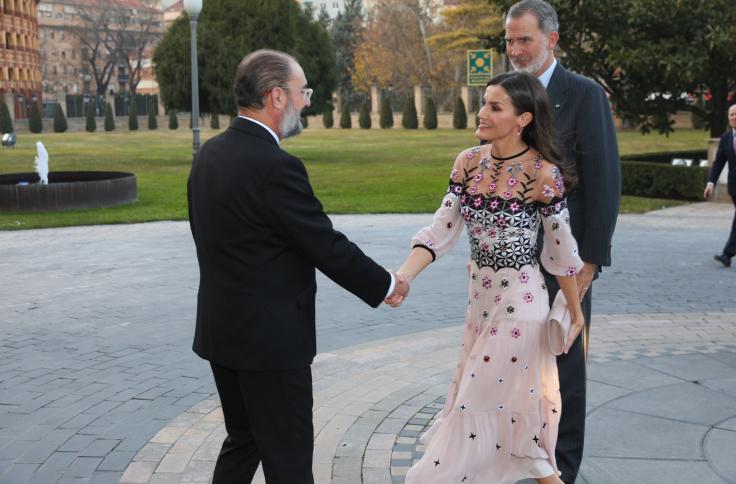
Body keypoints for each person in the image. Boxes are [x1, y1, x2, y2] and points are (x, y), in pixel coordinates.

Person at [187, 49, 408, 483]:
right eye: (301, 91)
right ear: (275, 97)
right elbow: (322, 243)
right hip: (270, 345)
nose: (307, 101)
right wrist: (385, 284)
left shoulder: (208, 155)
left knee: (244, 440)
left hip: (222, 334)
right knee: (288, 461)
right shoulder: (277, 166)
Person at [399, 71, 584, 484]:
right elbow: (439, 231)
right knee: (520, 439)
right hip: (480, 308)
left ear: (523, 119)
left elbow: (561, 253)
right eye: (484, 103)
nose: (482, 113)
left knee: (471, 408)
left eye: (494, 106)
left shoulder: (543, 173)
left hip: (522, 310)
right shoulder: (467, 163)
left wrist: (575, 312)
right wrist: (403, 276)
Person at [503, 1, 621, 481]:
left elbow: (604, 181)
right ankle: (521, 461)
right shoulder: (505, 95)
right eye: (508, 40)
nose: (514, 50)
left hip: (565, 268)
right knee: (516, 368)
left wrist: (589, 263)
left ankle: (561, 471)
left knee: (565, 375)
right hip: (511, 266)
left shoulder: (584, 95)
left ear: (552, 40)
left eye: (523, 39)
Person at [704, 103, 736, 267]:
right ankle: (728, 254)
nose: (734, 117)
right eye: (731, 114)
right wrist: (711, 182)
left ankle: (727, 254)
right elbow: (718, 163)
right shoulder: (726, 138)